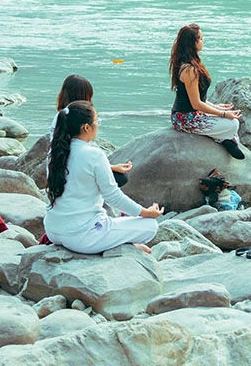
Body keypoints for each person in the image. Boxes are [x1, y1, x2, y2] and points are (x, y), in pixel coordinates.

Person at [43, 100, 162, 254]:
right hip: (82, 237)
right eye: (96, 121)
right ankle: (122, 247)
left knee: (113, 221)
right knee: (150, 225)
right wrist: (146, 212)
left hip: (54, 230)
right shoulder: (94, 154)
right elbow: (113, 197)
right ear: (86, 127)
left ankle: (110, 241)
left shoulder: (54, 154)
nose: (98, 124)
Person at [169, 23, 245, 159]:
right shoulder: (189, 69)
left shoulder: (192, 64)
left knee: (232, 123)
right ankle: (223, 139)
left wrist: (217, 107)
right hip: (185, 118)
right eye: (201, 39)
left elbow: (199, 99)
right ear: (193, 43)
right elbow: (196, 104)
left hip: (193, 113)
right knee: (233, 124)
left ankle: (223, 139)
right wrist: (222, 114)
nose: (203, 42)